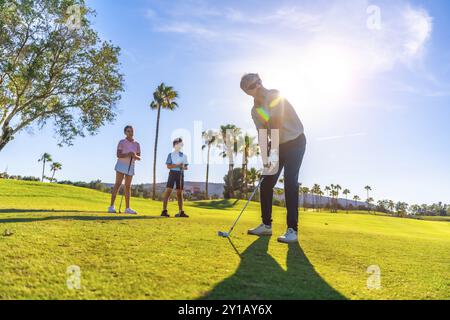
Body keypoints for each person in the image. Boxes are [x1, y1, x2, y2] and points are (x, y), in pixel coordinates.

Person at [240, 73, 307, 244]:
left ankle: (292, 229)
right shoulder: (256, 110)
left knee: (290, 183)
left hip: (295, 141)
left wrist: (273, 151)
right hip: (278, 145)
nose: (258, 85)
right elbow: (263, 134)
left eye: (258, 81)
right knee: (266, 183)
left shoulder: (274, 95)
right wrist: (265, 159)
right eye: (253, 85)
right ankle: (266, 225)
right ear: (248, 92)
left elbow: (276, 123)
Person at [108, 125, 141, 214]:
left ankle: (127, 208)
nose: (130, 133)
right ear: (125, 133)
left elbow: (139, 157)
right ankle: (111, 206)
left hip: (131, 166)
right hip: (121, 165)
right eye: (128, 131)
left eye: (132, 131)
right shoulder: (122, 142)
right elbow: (118, 155)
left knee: (127, 187)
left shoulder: (137, 144)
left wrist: (134, 156)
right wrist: (128, 154)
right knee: (118, 184)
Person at [161, 138, 189, 218]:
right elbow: (168, 166)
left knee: (180, 193)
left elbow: (186, 167)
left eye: (180, 144)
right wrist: (177, 165)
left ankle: (181, 212)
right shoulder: (170, 155)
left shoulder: (184, 156)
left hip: (180, 174)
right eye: (177, 144)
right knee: (168, 191)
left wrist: (182, 166)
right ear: (174, 145)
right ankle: (164, 211)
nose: (179, 146)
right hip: (172, 173)